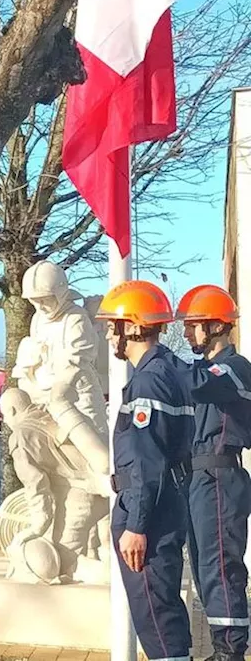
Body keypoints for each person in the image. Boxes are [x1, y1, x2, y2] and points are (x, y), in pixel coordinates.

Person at [95, 281, 194, 661]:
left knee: (154, 614)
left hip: (148, 510)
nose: (109, 334)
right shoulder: (170, 370)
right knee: (163, 607)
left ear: (134, 327)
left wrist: (136, 525)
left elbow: (146, 460)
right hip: (165, 500)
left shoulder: (149, 379)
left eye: (113, 325)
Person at [177, 284, 251, 658]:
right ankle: (222, 644)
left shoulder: (235, 369)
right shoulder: (206, 369)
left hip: (220, 480)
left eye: (193, 325)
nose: (187, 333)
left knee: (220, 566)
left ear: (218, 326)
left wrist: (157, 357)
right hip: (198, 481)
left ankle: (231, 650)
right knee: (206, 570)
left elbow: (202, 383)